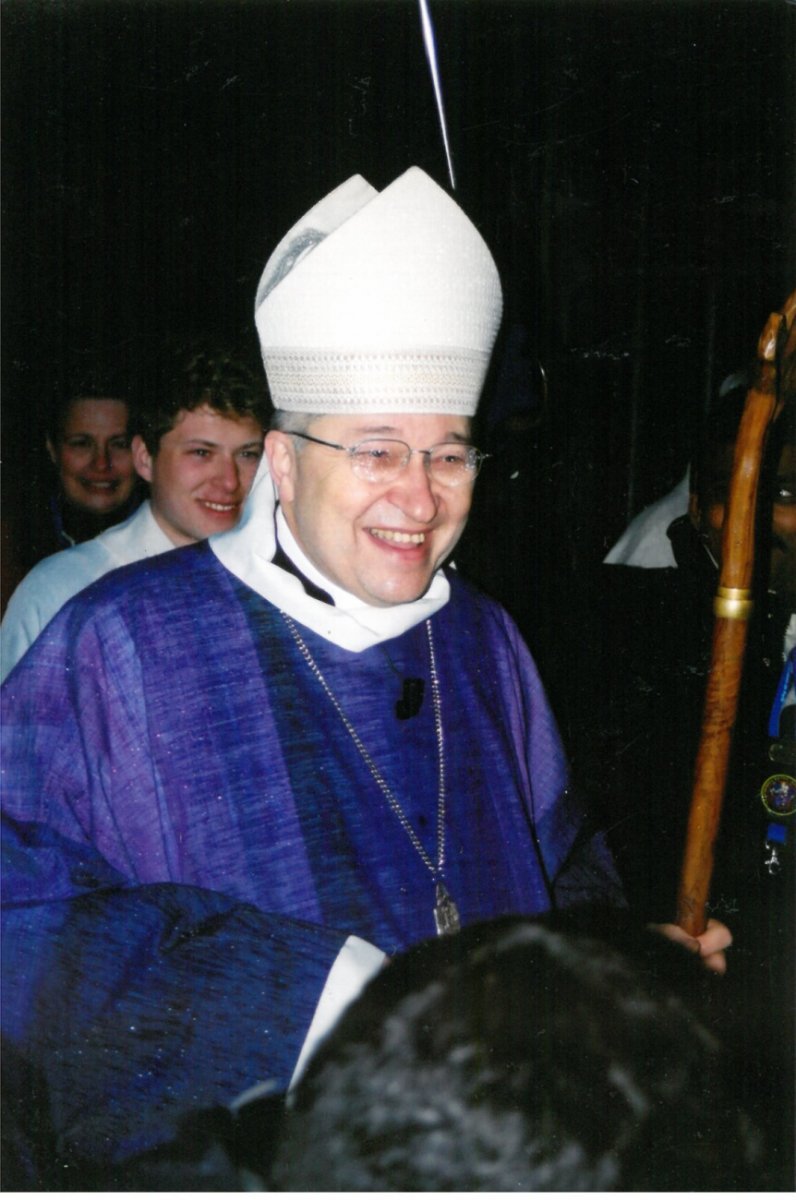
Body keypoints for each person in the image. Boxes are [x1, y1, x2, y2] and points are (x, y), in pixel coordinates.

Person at [0, 167, 728, 1166]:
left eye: (450, 455)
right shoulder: (118, 643)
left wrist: (615, 961)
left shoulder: (483, 638)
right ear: (286, 462)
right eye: (378, 452)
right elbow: (18, 924)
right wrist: (308, 991)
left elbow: (561, 864)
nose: (421, 502)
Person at [1, 348, 268, 680]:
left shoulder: (274, 582)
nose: (229, 481)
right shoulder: (62, 590)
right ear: (144, 458)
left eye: (247, 454)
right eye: (201, 452)